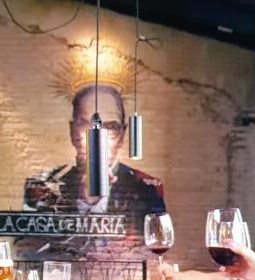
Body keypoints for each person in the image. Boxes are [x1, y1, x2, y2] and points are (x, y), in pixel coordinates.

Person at [18, 84, 165, 259]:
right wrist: (84, 204)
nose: (97, 137)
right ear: (72, 132)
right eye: (85, 125)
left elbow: (151, 254)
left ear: (122, 135)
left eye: (110, 127)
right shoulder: (42, 185)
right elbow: (26, 253)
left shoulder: (146, 187)